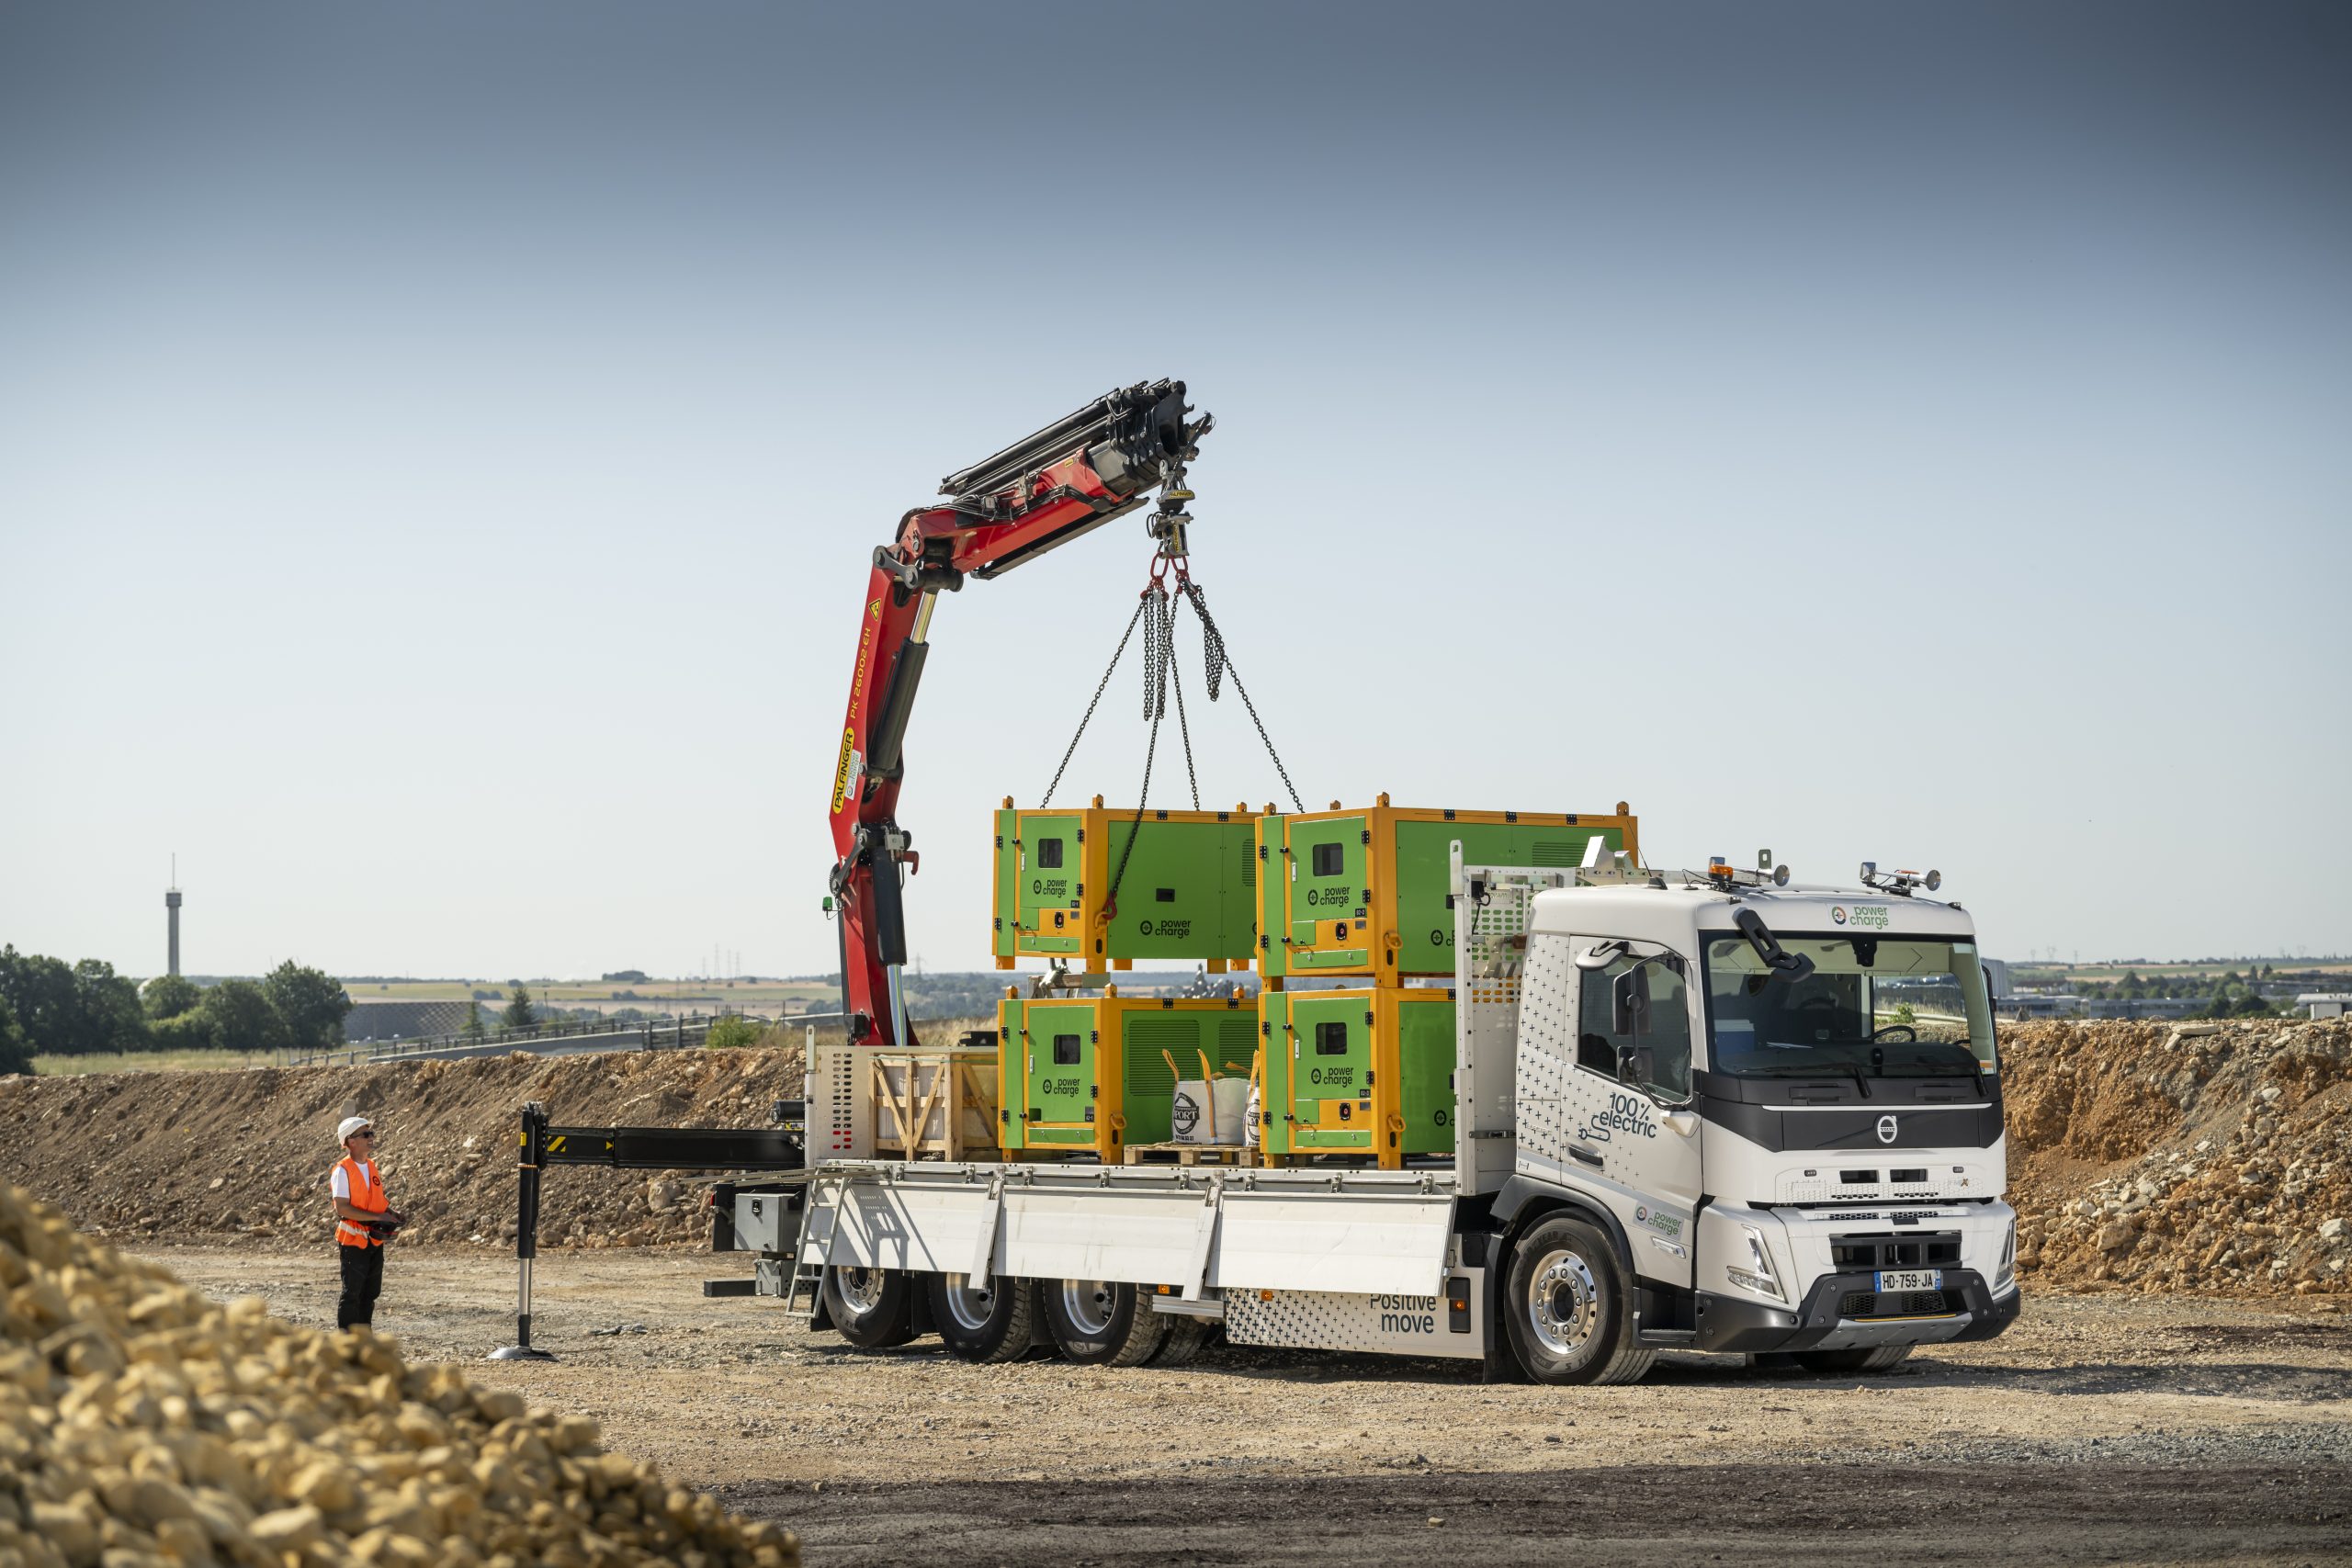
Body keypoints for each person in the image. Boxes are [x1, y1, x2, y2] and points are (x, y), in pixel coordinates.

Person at [330, 1115, 407, 1330]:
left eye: (371, 1133)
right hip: (353, 1238)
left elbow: (374, 1201)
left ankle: (364, 1340)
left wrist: (390, 1212)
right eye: (366, 1134)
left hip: (373, 1239)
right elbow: (342, 1208)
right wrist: (378, 1217)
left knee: (370, 1291)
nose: (371, 1137)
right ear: (350, 1142)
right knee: (352, 1291)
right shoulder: (342, 1170)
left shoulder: (371, 1167)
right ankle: (346, 1342)